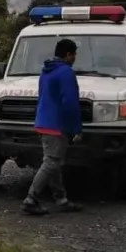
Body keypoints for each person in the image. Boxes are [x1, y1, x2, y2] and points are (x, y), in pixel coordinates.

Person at [22, 37, 83, 215]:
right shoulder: (66, 73)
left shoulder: (46, 71)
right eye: (74, 54)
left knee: (53, 162)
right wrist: (76, 129)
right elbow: (70, 104)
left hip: (43, 122)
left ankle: (61, 199)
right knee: (51, 162)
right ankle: (31, 199)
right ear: (68, 54)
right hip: (56, 125)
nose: (75, 58)